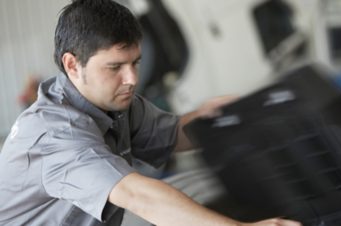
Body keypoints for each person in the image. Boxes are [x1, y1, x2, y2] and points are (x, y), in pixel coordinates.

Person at [0, 0, 302, 226]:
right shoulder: (56, 134)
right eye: (115, 67)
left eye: (135, 63)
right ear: (72, 65)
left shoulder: (112, 103)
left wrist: (216, 116)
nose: (131, 79)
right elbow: (137, 196)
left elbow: (172, 134)